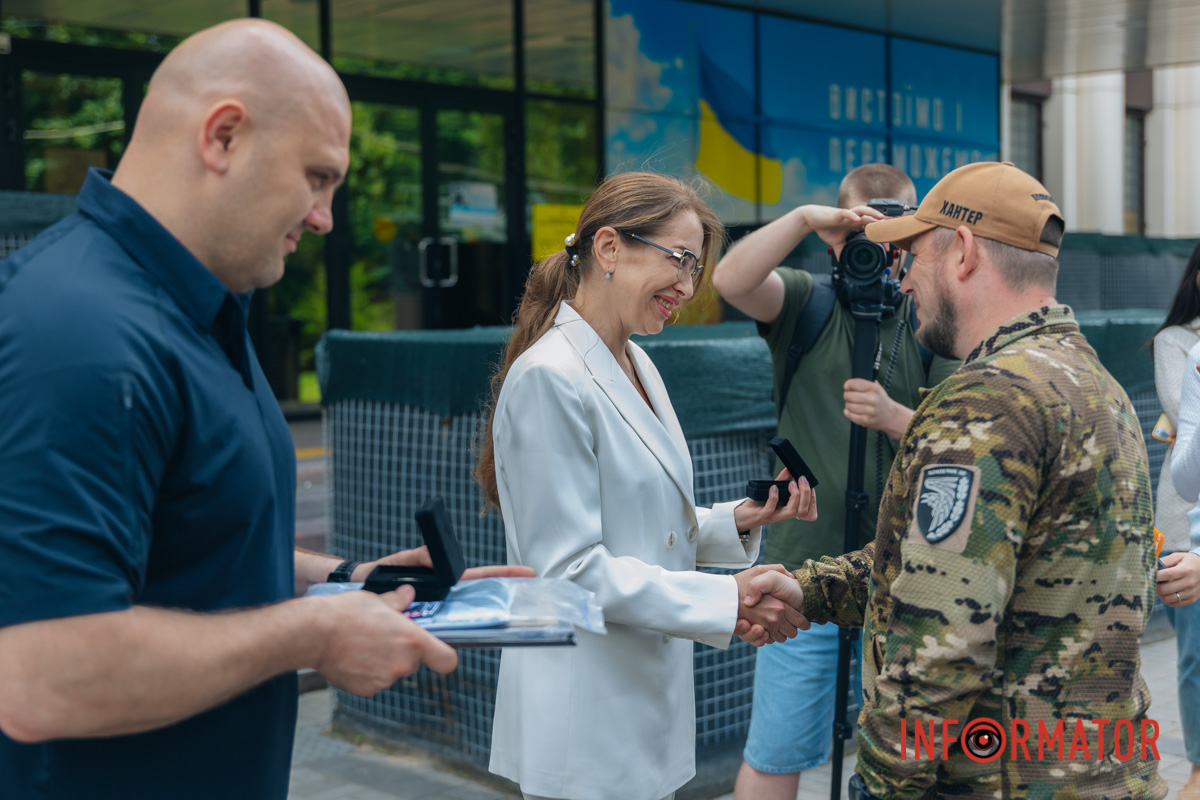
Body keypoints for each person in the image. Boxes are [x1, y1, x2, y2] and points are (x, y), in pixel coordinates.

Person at [0, 20, 530, 800]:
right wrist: (314, 634)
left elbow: (199, 548)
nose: (324, 218)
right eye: (318, 177)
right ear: (223, 137)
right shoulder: (76, 330)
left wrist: (356, 580)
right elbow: (41, 676)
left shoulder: (205, 306)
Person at [747, 161, 1167, 799]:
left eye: (913, 253)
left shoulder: (985, 399)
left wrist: (883, 782)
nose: (904, 276)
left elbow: (941, 642)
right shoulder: (1094, 384)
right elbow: (947, 565)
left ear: (963, 252)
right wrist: (808, 588)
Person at [474, 171, 818, 800]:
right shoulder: (550, 377)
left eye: (696, 268)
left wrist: (735, 520)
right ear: (608, 248)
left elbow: (640, 526)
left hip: (636, 706)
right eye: (681, 260)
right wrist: (725, 600)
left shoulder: (636, 360)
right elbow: (570, 569)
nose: (688, 287)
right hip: (584, 716)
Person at [712, 164, 959, 800]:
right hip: (802, 573)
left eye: (896, 235)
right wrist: (806, 219)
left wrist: (895, 418)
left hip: (904, 577)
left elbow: (967, 445)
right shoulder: (808, 301)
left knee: (897, 759)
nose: (879, 253)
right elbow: (728, 280)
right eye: (864, 234)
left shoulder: (928, 321)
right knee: (777, 752)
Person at [1150, 243, 1200, 800]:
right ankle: (1198, 768)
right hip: (1188, 527)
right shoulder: (1177, 341)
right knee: (1195, 656)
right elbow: (1186, 414)